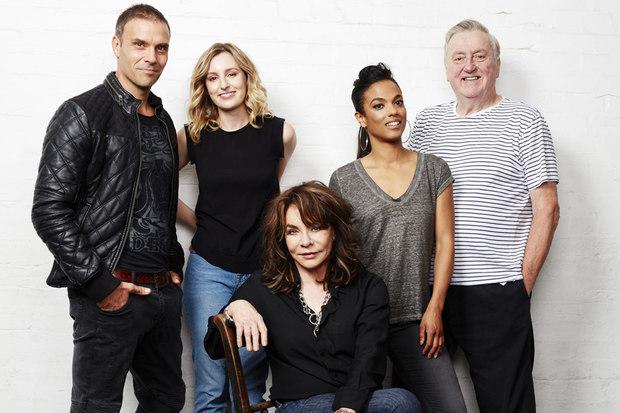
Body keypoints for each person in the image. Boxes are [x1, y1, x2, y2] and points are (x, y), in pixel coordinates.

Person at [31, 4, 185, 412]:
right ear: (117, 45)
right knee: (96, 406)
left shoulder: (164, 121)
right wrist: (101, 286)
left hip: (161, 291)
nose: (152, 57)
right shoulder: (82, 112)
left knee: (167, 400)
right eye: (140, 44)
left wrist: (172, 266)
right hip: (110, 291)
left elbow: (159, 200)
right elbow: (48, 209)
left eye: (161, 48)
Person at [406, 19, 560, 413]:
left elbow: (547, 209)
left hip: (497, 291)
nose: (469, 66)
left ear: (496, 64)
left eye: (479, 56)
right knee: (415, 400)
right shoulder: (426, 124)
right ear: (447, 69)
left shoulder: (525, 121)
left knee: (506, 405)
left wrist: (520, 286)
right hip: (431, 292)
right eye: (459, 58)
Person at [204, 182, 422, 413]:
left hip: (356, 402)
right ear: (282, 237)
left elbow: (370, 359)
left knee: (401, 401)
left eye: (315, 228)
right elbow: (214, 348)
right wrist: (235, 308)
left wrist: (348, 407)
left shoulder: (369, 287)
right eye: (293, 231)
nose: (305, 241)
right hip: (298, 405)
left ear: (335, 231)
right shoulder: (264, 286)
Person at [329, 63, 467, 413]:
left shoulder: (434, 170)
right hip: (363, 324)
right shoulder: (343, 180)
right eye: (379, 105)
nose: (393, 111)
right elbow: (337, 257)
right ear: (361, 118)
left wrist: (435, 308)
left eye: (398, 101)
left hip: (418, 321)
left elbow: (445, 242)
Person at [176, 42, 297, 412]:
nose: (224, 84)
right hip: (209, 270)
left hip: (263, 271)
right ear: (204, 86)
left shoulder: (280, 133)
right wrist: (199, 222)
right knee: (211, 382)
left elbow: (269, 194)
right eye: (213, 78)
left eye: (231, 74)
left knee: (249, 382)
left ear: (247, 77)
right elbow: (157, 188)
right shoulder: (193, 136)